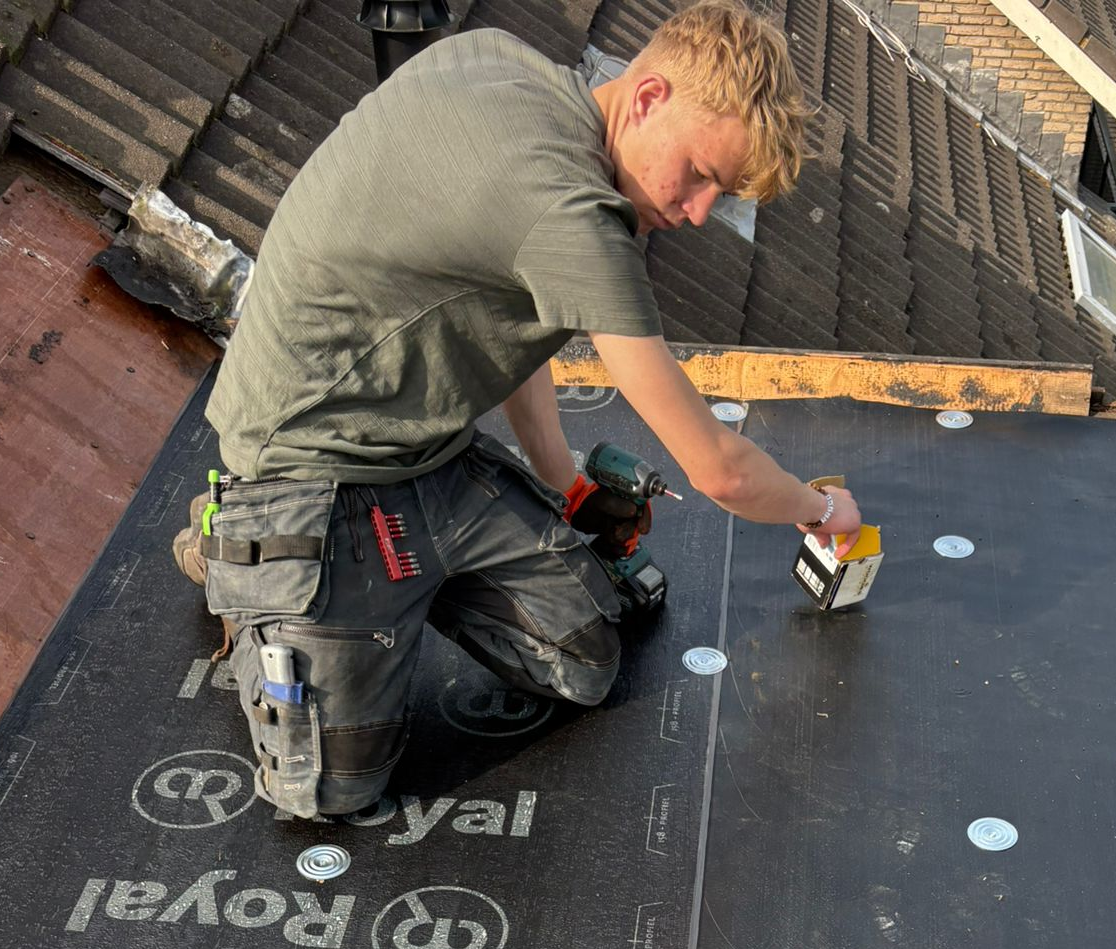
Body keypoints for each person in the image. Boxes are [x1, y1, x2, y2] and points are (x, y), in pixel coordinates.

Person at [176, 1, 864, 822]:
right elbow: (719, 469)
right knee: (330, 786)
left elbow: (512, 311)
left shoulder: (496, 57)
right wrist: (822, 509)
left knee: (584, 659)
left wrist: (563, 481)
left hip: (423, 449)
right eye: (700, 173)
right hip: (306, 468)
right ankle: (245, 561)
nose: (697, 211)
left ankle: (379, 590)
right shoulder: (571, 213)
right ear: (648, 97)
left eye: (721, 192)